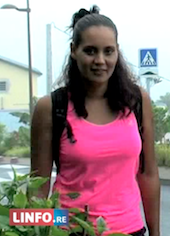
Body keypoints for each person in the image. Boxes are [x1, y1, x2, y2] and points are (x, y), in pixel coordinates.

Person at [30, 5, 160, 236]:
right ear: (73, 50)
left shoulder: (138, 101)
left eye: (108, 51)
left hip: (130, 230)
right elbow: (37, 189)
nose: (100, 60)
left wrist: (155, 232)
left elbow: (148, 175)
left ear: (117, 51)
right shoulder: (51, 107)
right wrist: (52, 225)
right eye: (90, 51)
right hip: (70, 231)